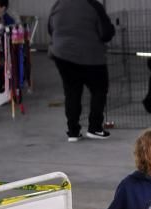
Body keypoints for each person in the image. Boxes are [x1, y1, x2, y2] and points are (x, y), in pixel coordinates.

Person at [48, 0, 115, 142]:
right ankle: (95, 128)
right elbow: (106, 33)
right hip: (91, 56)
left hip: (62, 55)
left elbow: (50, 28)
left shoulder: (58, 4)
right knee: (99, 89)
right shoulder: (94, 5)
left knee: (72, 91)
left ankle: (73, 132)